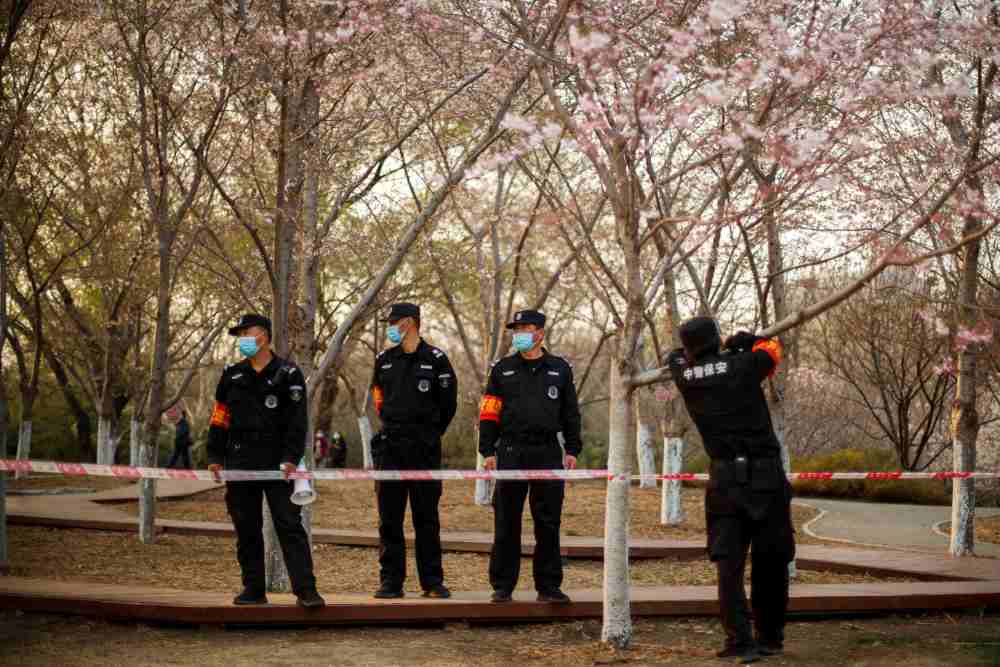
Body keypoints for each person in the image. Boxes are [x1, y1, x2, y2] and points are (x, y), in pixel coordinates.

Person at [666, 317, 793, 663]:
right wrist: (746, 341)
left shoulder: (685, 376)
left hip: (724, 481)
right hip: (765, 476)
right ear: (716, 340)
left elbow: (675, 357)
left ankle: (739, 640)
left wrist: (705, 351)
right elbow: (772, 349)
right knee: (771, 559)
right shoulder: (744, 365)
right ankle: (770, 638)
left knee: (729, 564)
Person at [206, 312, 325, 609]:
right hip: (239, 462)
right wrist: (214, 456)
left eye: (248, 333)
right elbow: (220, 418)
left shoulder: (289, 373)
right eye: (240, 334)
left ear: (264, 336)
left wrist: (289, 458)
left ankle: (307, 591)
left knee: (289, 525)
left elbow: (298, 422)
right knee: (246, 528)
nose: (243, 339)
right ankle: (253, 589)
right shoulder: (232, 374)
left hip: (278, 465)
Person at [478, 309, 582, 604]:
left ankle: (548, 587)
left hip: (547, 451)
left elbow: (571, 412)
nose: (519, 333)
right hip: (510, 450)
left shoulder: (560, 368)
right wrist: (487, 450)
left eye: (525, 327)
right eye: (516, 328)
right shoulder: (502, 369)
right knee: (506, 521)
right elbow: (489, 412)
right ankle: (502, 586)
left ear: (540, 333)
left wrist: (572, 448)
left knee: (548, 522)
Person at [369, 302, 457, 599]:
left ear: (409, 322)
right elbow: (378, 400)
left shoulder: (436, 359)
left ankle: (431, 582)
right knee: (389, 519)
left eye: (394, 322)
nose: (390, 328)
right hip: (391, 447)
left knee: (426, 518)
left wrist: (428, 433)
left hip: (424, 448)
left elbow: (448, 406)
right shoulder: (383, 360)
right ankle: (391, 582)